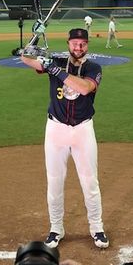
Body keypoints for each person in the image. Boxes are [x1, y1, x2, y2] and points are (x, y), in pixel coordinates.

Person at [19, 27, 108, 249]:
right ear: (68, 43)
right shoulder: (56, 60)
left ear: (87, 45)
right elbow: (25, 57)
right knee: (55, 182)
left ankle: (97, 228)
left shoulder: (93, 67)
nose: (79, 47)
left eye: (83, 44)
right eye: (75, 43)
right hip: (56, 129)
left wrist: (55, 70)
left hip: (83, 129)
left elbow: (85, 88)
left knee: (90, 182)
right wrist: (34, 39)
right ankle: (56, 228)